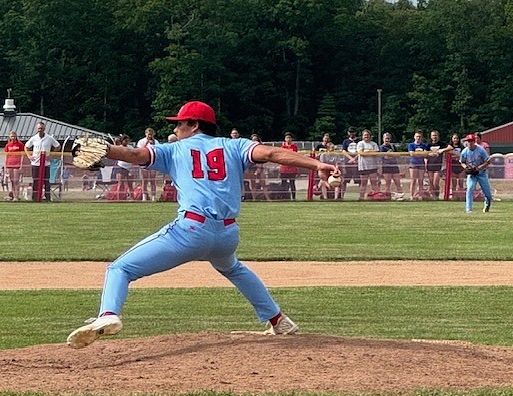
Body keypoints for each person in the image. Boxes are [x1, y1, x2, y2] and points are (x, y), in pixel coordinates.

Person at [66, 101, 340, 349]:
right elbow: (270, 153)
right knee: (232, 267)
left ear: (194, 124)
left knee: (120, 268)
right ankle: (279, 321)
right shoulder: (236, 145)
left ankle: (108, 315)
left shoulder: (174, 150)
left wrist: (108, 150)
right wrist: (317, 165)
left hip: (191, 231)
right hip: (227, 234)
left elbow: (136, 155)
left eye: (180, 123)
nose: (176, 128)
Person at [25, 122, 61, 201]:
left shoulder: (49, 138)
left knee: (46, 181)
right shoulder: (34, 138)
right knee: (35, 180)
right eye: (38, 129)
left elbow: (58, 146)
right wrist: (29, 156)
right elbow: (26, 147)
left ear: (44, 129)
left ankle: (47, 197)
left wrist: (51, 155)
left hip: (46, 163)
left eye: (41, 128)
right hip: (35, 163)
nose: (39, 130)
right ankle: (35, 197)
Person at [460, 133, 492, 213]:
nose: (470, 143)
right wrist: (466, 168)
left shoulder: (481, 150)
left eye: (471, 141)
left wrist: (478, 168)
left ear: (474, 141)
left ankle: (487, 205)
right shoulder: (465, 151)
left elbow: (488, 161)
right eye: (468, 141)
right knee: (469, 189)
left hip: (481, 173)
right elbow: (462, 162)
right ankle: (468, 209)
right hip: (471, 174)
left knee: (487, 194)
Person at [356, 129, 380, 200]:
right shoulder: (360, 143)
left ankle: (376, 197)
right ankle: (361, 197)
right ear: (362, 136)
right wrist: (370, 152)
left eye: (367, 135)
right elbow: (361, 153)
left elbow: (376, 152)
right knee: (363, 183)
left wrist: (366, 151)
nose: (366, 136)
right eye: (365, 135)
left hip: (373, 166)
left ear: (370, 136)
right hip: (363, 166)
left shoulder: (374, 144)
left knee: (374, 183)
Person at [379, 132, 404, 200]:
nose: (387, 140)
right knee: (387, 184)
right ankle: (387, 197)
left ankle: (400, 196)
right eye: (386, 138)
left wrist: (391, 155)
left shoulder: (393, 146)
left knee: (398, 183)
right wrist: (390, 155)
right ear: (383, 139)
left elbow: (398, 156)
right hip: (386, 167)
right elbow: (385, 157)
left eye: (388, 138)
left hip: (394, 167)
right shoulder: (381, 147)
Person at [315, 133, 339, 200]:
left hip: (333, 171)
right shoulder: (323, 155)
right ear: (328, 149)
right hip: (325, 170)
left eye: (333, 148)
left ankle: (336, 198)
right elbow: (323, 164)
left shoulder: (336, 155)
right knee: (323, 182)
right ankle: (325, 197)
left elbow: (337, 164)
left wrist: (336, 170)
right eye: (331, 148)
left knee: (337, 181)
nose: (332, 149)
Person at [426, 130, 448, 200]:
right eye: (433, 135)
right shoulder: (428, 145)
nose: (434, 137)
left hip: (438, 165)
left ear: (438, 136)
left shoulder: (442, 144)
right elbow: (425, 153)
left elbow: (450, 147)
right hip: (430, 165)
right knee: (431, 182)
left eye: (435, 135)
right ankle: (433, 197)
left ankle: (437, 195)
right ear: (431, 136)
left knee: (436, 182)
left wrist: (442, 150)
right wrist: (430, 154)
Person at [137, 128, 158, 201]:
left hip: (153, 162)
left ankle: (153, 196)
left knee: (153, 179)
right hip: (144, 162)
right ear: (146, 134)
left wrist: (153, 143)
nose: (149, 136)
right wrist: (146, 143)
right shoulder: (141, 141)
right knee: (144, 180)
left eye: (151, 134)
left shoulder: (156, 142)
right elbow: (139, 150)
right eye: (148, 134)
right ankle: (144, 196)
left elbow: (158, 150)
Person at [407, 131, 428, 200]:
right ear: (414, 137)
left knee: (421, 181)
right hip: (413, 164)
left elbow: (425, 154)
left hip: (421, 164)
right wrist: (421, 154)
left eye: (419, 136)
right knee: (413, 180)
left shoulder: (424, 145)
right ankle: (411, 196)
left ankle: (420, 196)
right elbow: (412, 154)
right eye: (417, 136)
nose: (418, 138)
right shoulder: (411, 145)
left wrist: (418, 154)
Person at [340, 127, 360, 198]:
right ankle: (342, 196)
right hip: (347, 163)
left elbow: (361, 151)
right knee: (345, 180)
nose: (351, 133)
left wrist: (355, 158)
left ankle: (361, 196)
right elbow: (343, 151)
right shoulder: (346, 141)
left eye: (353, 132)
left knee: (359, 180)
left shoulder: (359, 141)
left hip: (357, 162)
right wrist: (351, 158)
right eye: (350, 132)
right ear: (348, 133)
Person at [4, 131, 25, 201]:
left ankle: (17, 196)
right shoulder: (8, 145)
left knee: (16, 181)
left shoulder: (20, 144)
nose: (13, 137)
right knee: (12, 181)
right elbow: (6, 156)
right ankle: (13, 195)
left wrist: (21, 165)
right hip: (9, 164)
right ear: (9, 137)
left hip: (17, 164)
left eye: (14, 136)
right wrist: (5, 166)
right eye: (11, 136)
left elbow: (22, 155)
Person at [279, 132, 298, 200]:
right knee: (283, 183)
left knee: (292, 183)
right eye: (287, 138)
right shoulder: (282, 147)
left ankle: (293, 197)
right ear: (285, 139)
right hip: (284, 168)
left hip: (292, 168)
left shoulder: (294, 147)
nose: (288, 139)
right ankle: (284, 197)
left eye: (289, 137)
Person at [447, 133, 466, 199]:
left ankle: (461, 197)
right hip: (452, 166)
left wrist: (459, 156)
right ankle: (454, 197)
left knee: (461, 183)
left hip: (460, 166)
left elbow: (464, 155)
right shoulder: (449, 147)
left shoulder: (462, 147)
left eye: (457, 138)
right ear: (452, 139)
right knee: (454, 183)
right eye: (454, 138)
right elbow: (447, 154)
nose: (456, 140)